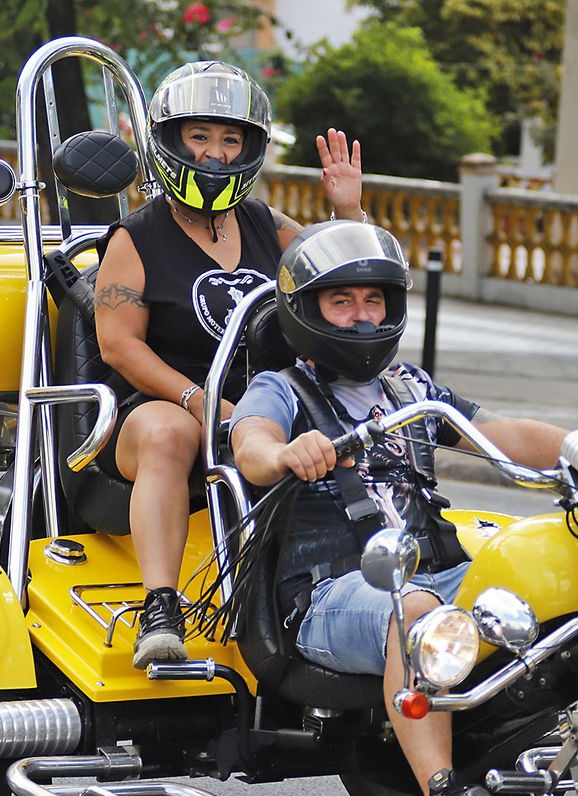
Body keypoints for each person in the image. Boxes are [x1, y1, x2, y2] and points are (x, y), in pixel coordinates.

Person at [230, 221, 578, 796]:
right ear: (306, 311)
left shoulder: (408, 387)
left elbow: (502, 434)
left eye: (374, 300)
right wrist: (284, 452)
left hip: (436, 573)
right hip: (329, 593)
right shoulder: (280, 389)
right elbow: (249, 443)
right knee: (415, 610)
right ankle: (443, 794)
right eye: (342, 301)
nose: (363, 316)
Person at [93, 60, 365, 668]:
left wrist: (348, 211)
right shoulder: (136, 238)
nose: (215, 154)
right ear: (172, 140)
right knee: (170, 433)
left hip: (263, 405)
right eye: (200, 136)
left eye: (230, 139)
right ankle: (160, 608)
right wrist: (203, 402)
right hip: (161, 407)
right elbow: (119, 346)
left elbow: (347, 279)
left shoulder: (267, 224)